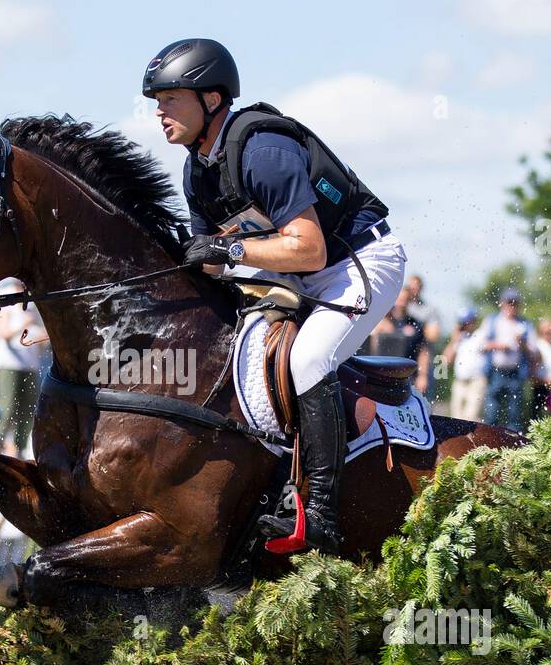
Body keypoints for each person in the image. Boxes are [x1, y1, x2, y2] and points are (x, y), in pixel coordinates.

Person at [145, 38, 403, 553]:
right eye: (157, 101)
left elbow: (307, 249)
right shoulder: (198, 169)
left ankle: (322, 513)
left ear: (211, 100)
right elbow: (218, 260)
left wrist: (225, 247)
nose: (159, 111)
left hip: (356, 264)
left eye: (170, 98)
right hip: (297, 275)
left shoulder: (263, 151)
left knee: (308, 358)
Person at [0, 279, 46, 452]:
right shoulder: (6, 298)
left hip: (29, 364)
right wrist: (25, 324)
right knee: (7, 409)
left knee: (28, 411)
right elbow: (4, 333)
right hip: (9, 363)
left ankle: (20, 450)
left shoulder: (33, 303)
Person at [480, 288, 539, 433]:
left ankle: (513, 445)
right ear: (502, 304)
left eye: (515, 303)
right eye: (509, 303)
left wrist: (522, 343)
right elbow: (480, 345)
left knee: (515, 413)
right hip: (495, 372)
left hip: (516, 373)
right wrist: (498, 345)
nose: (512, 306)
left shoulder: (525, 324)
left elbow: (534, 351)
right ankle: (489, 440)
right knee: (492, 411)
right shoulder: (492, 321)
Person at [444, 307, 486, 422]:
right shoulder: (458, 339)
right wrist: (454, 340)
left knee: (470, 417)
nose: (466, 325)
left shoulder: (481, 335)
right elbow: (445, 360)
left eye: (468, 322)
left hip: (476, 381)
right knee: (456, 417)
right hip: (460, 382)